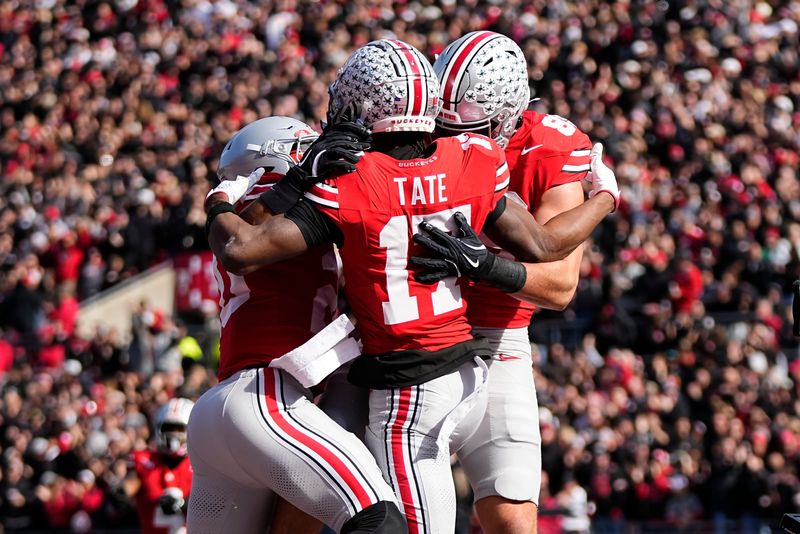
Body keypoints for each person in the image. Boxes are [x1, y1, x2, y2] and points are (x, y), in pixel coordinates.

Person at [205, 38, 617, 533]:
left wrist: (228, 199)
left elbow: (242, 250)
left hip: (413, 384)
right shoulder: (473, 159)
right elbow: (547, 244)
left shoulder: (349, 181)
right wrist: (606, 196)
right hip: (457, 366)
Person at [424, 30, 610, 533]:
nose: (452, 141)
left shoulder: (547, 146)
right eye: (441, 127)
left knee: (512, 517)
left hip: (497, 338)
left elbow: (559, 285)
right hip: (412, 338)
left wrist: (482, 265)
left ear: (507, 116)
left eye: (470, 128)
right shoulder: (421, 129)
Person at [186, 116, 404, 534]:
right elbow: (245, 236)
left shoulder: (236, 207)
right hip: (267, 399)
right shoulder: (273, 198)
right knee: (379, 521)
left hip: (220, 412)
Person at [127, 397, 195, 534]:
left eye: (178, 429)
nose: (172, 435)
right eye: (168, 428)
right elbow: (130, 484)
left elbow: (217, 502)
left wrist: (183, 504)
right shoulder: (144, 459)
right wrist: (121, 492)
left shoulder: (203, 463)